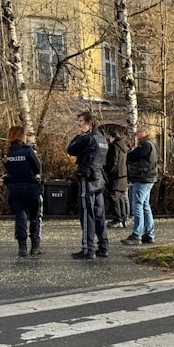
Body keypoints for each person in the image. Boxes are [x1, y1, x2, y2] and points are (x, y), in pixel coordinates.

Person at [67, 111, 110, 259]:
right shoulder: (102, 140)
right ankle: (103, 246)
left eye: (81, 121)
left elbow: (70, 149)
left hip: (88, 178)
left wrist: (80, 135)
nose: (79, 124)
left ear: (88, 123)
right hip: (99, 178)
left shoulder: (88, 139)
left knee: (87, 214)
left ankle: (88, 248)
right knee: (99, 214)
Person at [2, 126, 43, 257]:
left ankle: (22, 247)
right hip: (30, 188)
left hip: (14, 189)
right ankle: (35, 246)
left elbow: (7, 169)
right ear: (21, 136)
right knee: (34, 217)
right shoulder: (28, 151)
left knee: (20, 217)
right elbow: (38, 167)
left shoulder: (7, 153)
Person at [121, 124, 158, 245]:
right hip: (148, 179)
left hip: (142, 179)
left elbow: (132, 156)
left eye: (139, 132)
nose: (137, 133)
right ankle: (149, 233)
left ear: (145, 132)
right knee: (145, 206)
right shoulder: (150, 144)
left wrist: (128, 152)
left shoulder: (145, 145)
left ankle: (137, 234)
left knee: (137, 205)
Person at [104, 130, 129, 228]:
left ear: (111, 137)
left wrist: (108, 171)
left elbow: (113, 161)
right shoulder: (124, 147)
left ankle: (117, 218)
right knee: (122, 198)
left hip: (115, 176)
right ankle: (124, 218)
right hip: (123, 175)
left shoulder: (114, 147)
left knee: (114, 197)